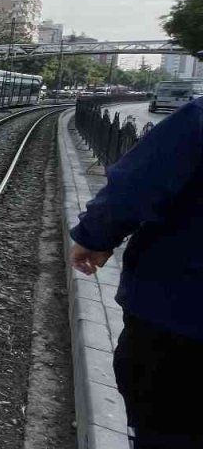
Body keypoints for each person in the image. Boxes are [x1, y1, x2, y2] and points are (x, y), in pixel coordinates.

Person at [70, 97, 203, 449]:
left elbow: (134, 188)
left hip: (177, 318)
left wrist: (94, 238)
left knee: (165, 428)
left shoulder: (198, 118)